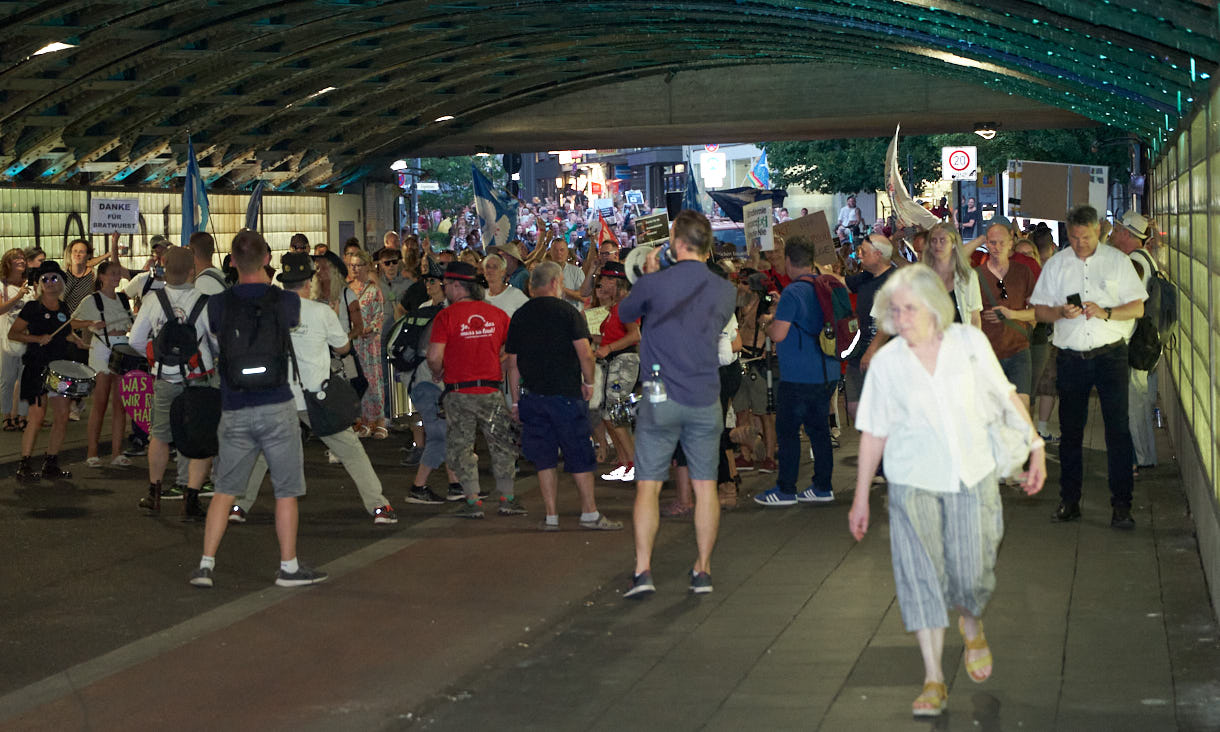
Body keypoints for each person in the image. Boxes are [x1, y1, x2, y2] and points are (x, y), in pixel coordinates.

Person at [848, 264, 1045, 718]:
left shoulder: (969, 344)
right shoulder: (888, 364)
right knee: (920, 579)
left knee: (973, 573)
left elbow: (1006, 394)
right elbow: (874, 432)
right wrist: (860, 497)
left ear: (934, 307)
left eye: (910, 308)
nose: (903, 318)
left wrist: (1034, 444)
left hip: (971, 475)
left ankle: (971, 620)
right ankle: (934, 677)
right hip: (912, 482)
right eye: (895, 311)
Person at [190, 230, 326, 589]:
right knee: (285, 490)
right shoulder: (285, 302)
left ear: (232, 262)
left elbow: (216, 333)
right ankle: (288, 567)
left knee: (225, 489)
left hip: (234, 406)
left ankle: (205, 565)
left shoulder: (217, 304)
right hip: (277, 404)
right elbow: (292, 322)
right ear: (267, 259)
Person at [618, 210, 736, 598]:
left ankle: (643, 570)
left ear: (675, 241)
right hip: (704, 397)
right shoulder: (725, 290)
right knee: (705, 489)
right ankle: (702, 570)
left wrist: (651, 275)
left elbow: (625, 314)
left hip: (659, 396)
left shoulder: (657, 283)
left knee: (648, 488)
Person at [230, 253, 397, 526]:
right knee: (351, 451)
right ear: (308, 281)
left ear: (284, 282)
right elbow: (343, 347)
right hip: (314, 397)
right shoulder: (321, 313)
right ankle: (379, 507)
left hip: (276, 397)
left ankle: (239, 505)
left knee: (260, 452)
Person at [1030, 205, 1147, 529]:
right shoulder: (1057, 265)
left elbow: (1137, 307)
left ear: (1099, 231)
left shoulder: (1118, 262)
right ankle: (1069, 501)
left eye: (1086, 236)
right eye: (1074, 237)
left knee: (1117, 431)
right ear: (1067, 233)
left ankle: (1122, 505)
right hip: (1071, 357)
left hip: (1110, 356)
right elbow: (1040, 311)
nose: (1080, 243)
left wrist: (1107, 311)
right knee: (1070, 432)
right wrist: (1058, 313)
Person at [506, 261, 622, 532]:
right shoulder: (568, 313)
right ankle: (589, 513)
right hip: (566, 395)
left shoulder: (521, 315)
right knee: (579, 455)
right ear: (556, 282)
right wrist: (590, 383)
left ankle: (551, 516)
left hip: (533, 396)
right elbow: (585, 353)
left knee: (544, 458)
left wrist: (515, 401)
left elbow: (512, 363)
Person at [426, 261, 521, 518]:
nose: (444, 290)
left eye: (445, 285)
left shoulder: (446, 316)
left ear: (457, 285)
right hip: (491, 390)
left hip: (459, 392)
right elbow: (511, 349)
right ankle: (507, 499)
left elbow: (434, 356)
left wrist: (437, 371)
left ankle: (472, 501)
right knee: (501, 445)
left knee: (462, 447)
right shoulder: (498, 315)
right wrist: (494, 359)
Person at [128, 247, 215, 520]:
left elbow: (135, 341)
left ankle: (154, 493)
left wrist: (156, 358)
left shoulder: (154, 300)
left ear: (165, 270)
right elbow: (217, 342)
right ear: (193, 271)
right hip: (198, 378)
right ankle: (190, 498)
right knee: (199, 438)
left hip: (164, 378)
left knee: (160, 436)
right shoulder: (206, 301)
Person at [753, 237, 839, 507]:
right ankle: (822, 486)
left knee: (787, 431)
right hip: (828, 369)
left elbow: (779, 334)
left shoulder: (792, 292)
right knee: (819, 430)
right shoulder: (827, 284)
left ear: (789, 261)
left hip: (799, 374)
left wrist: (767, 323)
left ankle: (786, 489)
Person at [8, 261, 86, 480]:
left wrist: (77, 340)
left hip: (60, 370)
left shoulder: (63, 308)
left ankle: (51, 462)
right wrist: (36, 338)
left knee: (62, 415)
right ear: (40, 284)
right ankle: (24, 464)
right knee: (37, 417)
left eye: (54, 278)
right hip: (36, 368)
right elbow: (14, 333)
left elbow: (65, 332)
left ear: (61, 282)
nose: (50, 283)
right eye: (45, 279)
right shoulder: (33, 308)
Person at [1108, 210, 1159, 472]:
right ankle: (1143, 455)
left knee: (1135, 405)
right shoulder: (1144, 258)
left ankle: (1142, 458)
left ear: (1127, 234)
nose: (1113, 234)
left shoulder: (1134, 263)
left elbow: (1124, 300)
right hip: (1146, 341)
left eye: (1117, 230)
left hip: (1135, 342)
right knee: (1139, 401)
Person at [71, 261, 134, 468]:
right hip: (102, 348)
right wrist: (90, 324)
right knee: (100, 401)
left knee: (120, 404)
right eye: (112, 274)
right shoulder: (92, 300)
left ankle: (117, 452)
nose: (116, 277)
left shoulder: (124, 299)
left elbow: (131, 322)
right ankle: (92, 452)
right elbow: (71, 322)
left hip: (122, 347)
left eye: (118, 274)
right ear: (102, 277)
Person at [977, 222, 1037, 411]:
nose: (997, 247)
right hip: (988, 352)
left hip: (1018, 349)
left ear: (1011, 243)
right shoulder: (976, 275)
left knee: (1021, 407)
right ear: (986, 243)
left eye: (1002, 242)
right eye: (992, 242)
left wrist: (1015, 315)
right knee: (992, 410)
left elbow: (1038, 310)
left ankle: (1021, 440)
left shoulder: (1023, 271)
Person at [592, 262, 640, 482]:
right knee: (610, 414)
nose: (602, 284)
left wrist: (608, 348)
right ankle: (624, 461)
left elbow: (635, 336)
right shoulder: (616, 306)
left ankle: (633, 462)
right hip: (614, 361)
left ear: (615, 281)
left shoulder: (626, 305)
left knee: (616, 413)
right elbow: (610, 337)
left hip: (624, 361)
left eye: (605, 280)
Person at [841, 234, 897, 422]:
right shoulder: (865, 277)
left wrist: (872, 350)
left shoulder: (893, 281)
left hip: (883, 357)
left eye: (863, 252)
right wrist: (816, 269)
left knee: (881, 409)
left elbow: (890, 321)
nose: (859, 256)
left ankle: (882, 448)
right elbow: (841, 284)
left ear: (878, 254)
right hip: (860, 354)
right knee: (854, 406)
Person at [0, 248, 31, 432]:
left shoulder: (31, 286)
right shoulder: (2, 286)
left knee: (25, 379)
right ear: (8, 263)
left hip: (26, 338)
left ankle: (22, 416)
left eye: (22, 258)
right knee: (7, 379)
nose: (21, 261)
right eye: (16, 258)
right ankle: (6, 416)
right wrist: (18, 296)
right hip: (6, 339)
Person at [482, 254, 529, 318]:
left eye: (495, 267)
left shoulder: (515, 294)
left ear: (503, 272)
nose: (490, 270)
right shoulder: (481, 296)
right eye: (487, 267)